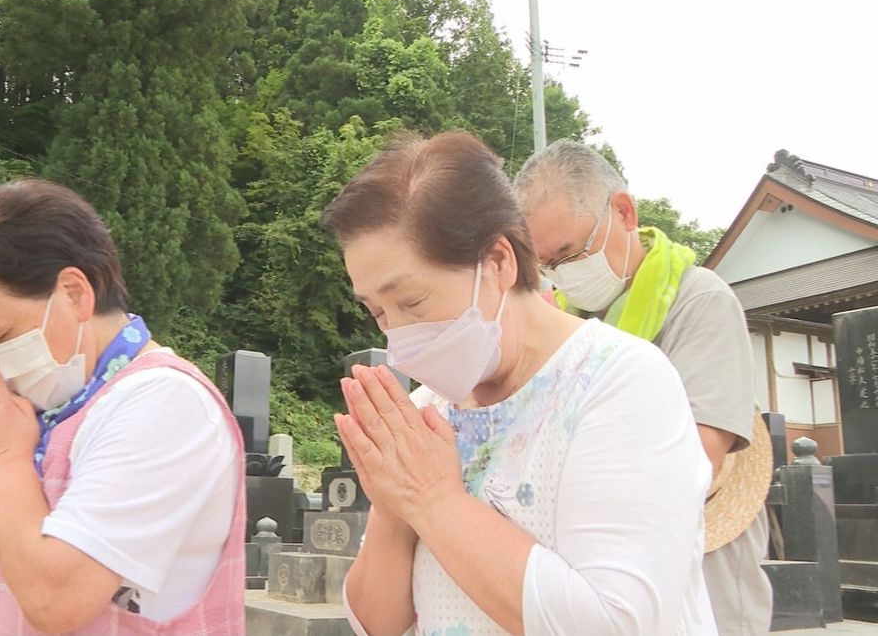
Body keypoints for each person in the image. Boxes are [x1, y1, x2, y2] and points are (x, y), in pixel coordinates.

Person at [320, 131, 716, 635]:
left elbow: (614, 623)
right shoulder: (426, 412)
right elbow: (376, 625)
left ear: (499, 262)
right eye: (377, 311)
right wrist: (394, 509)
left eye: (413, 302)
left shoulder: (620, 381)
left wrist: (433, 500)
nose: (398, 333)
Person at [0, 178, 245, 635]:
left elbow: (57, 600)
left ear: (74, 293)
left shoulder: (162, 403)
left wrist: (1, 462)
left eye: (4, 338)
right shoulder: (50, 413)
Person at [513, 140, 771, 636]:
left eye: (570, 252)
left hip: (703, 571)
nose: (564, 275)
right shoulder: (563, 320)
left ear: (624, 212)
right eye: (548, 264)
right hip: (600, 577)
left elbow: (701, 456)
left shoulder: (699, 302)